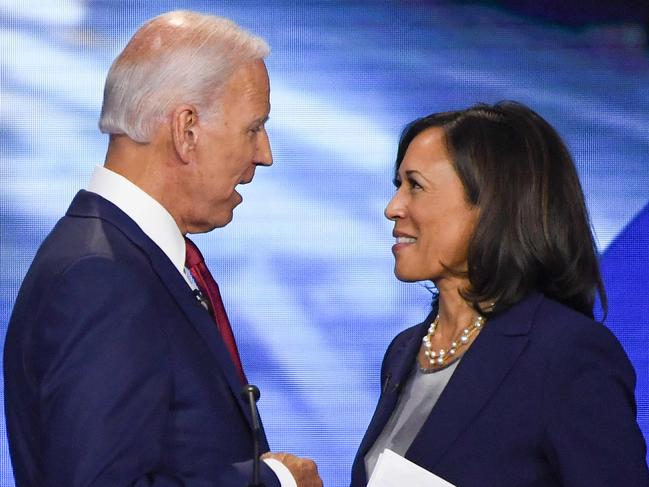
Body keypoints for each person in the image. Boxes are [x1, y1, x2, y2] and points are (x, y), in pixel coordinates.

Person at [4, 10, 322, 487]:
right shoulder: (102, 275)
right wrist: (273, 481)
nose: (265, 153)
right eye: (253, 128)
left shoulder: (126, 258)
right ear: (186, 129)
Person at [350, 101, 649, 486]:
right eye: (398, 186)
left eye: (416, 186)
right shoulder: (404, 351)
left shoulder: (565, 354)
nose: (393, 208)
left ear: (491, 204)